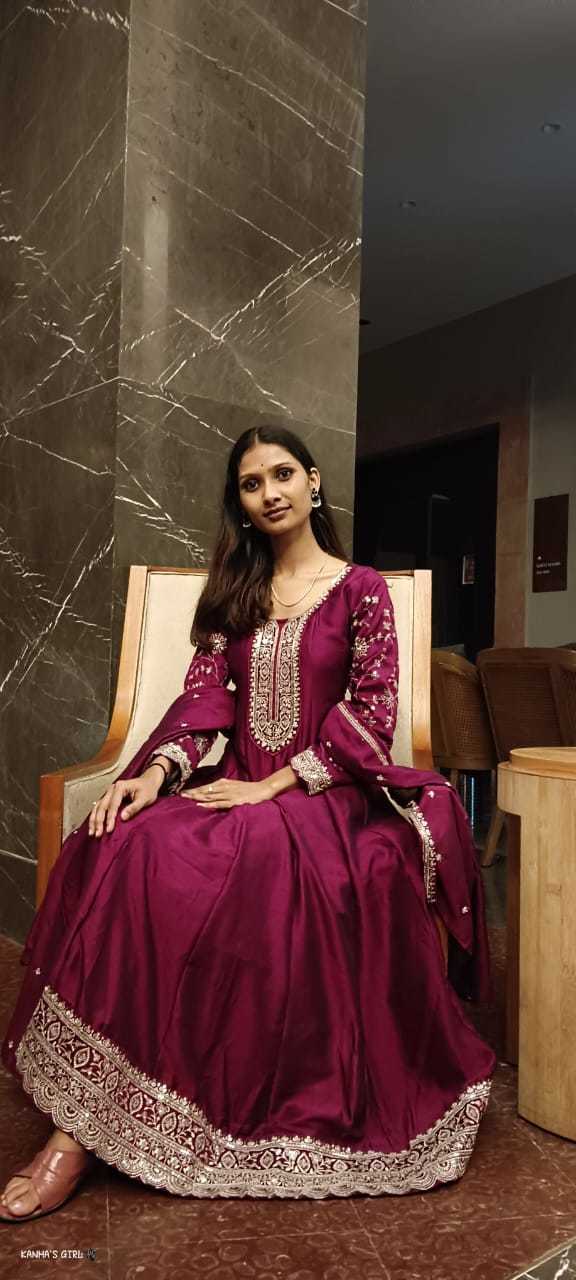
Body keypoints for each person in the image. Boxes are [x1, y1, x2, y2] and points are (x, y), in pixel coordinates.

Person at [0, 425, 495, 1219]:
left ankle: (103, 1130)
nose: (269, 493)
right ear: (239, 502)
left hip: (327, 794)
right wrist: (155, 774)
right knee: (134, 844)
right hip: (237, 780)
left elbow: (373, 711)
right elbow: (204, 703)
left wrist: (276, 788)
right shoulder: (233, 594)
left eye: (282, 474)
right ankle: (89, 1117)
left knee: (249, 857)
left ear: (314, 482)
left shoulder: (361, 589)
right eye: (251, 483)